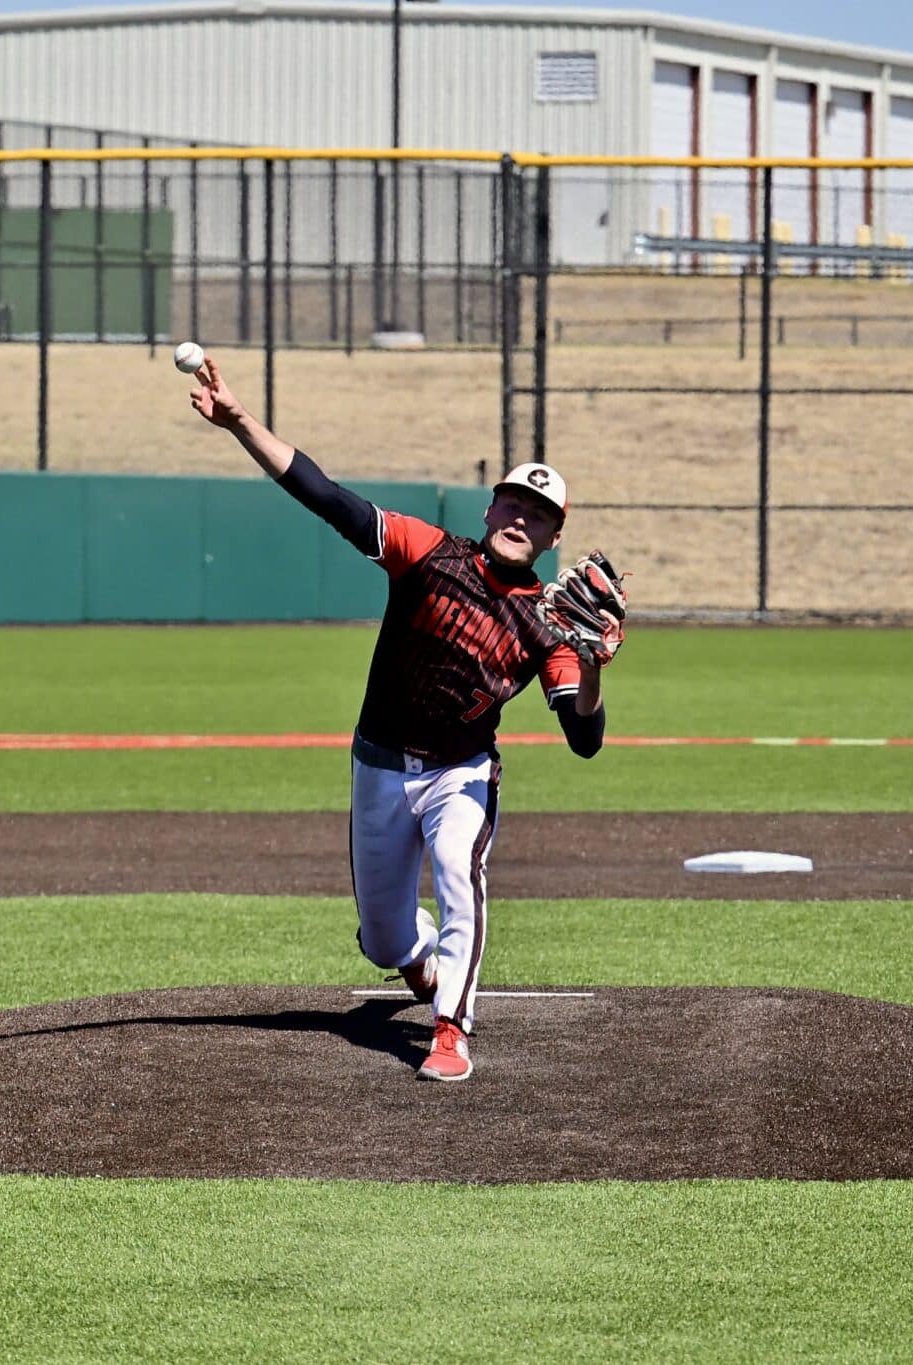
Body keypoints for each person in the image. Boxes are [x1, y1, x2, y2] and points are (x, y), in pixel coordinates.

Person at [185, 355, 618, 1081]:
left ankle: (452, 1027)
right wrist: (239, 424)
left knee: (458, 866)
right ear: (490, 509)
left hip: (462, 772)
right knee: (384, 939)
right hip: (380, 764)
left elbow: (584, 738)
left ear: (552, 536)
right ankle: (418, 964)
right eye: (512, 502)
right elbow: (328, 497)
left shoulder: (550, 625)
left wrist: (595, 664)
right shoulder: (429, 553)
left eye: (538, 513)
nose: (522, 516)